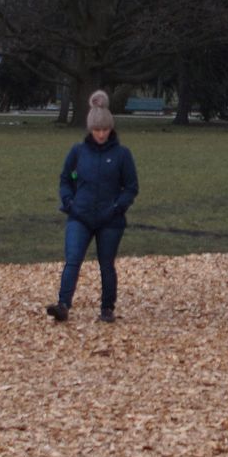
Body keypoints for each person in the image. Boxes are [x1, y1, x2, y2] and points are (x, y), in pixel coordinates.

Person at [47, 91, 139, 324]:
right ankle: (63, 304)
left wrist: (119, 207)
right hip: (80, 215)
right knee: (73, 259)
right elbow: (65, 179)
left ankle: (107, 307)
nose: (100, 134)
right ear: (90, 129)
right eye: (97, 130)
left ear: (111, 129)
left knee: (106, 264)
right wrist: (69, 202)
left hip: (110, 218)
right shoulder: (78, 152)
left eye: (105, 129)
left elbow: (131, 186)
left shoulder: (122, 154)